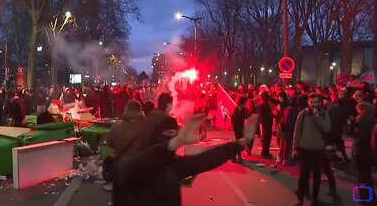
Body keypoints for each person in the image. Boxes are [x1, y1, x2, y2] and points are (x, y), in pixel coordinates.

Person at [112, 113, 259, 205]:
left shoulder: (171, 165)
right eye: (167, 133)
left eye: (173, 133)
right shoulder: (128, 163)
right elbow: (147, 160)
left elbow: (206, 159)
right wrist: (176, 142)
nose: (170, 137)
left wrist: (242, 142)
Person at [293, 93, 331, 206]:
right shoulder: (303, 114)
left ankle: (315, 197)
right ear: (308, 102)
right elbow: (297, 132)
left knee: (316, 175)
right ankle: (300, 198)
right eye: (311, 102)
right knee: (303, 174)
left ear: (319, 103)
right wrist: (295, 148)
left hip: (318, 149)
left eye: (316, 102)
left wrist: (317, 116)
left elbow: (327, 129)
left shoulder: (324, 114)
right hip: (304, 149)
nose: (313, 104)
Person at [353, 101, 377, 204]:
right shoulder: (372, 121)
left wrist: (355, 149)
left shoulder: (362, 121)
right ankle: (371, 197)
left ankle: (365, 197)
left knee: (362, 176)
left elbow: (361, 138)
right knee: (367, 176)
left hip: (362, 152)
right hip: (369, 152)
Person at [231, 95, 248, 163]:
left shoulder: (238, 108)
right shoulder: (240, 109)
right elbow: (243, 116)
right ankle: (234, 156)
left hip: (238, 127)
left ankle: (238, 156)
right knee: (238, 142)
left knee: (239, 141)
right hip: (238, 127)